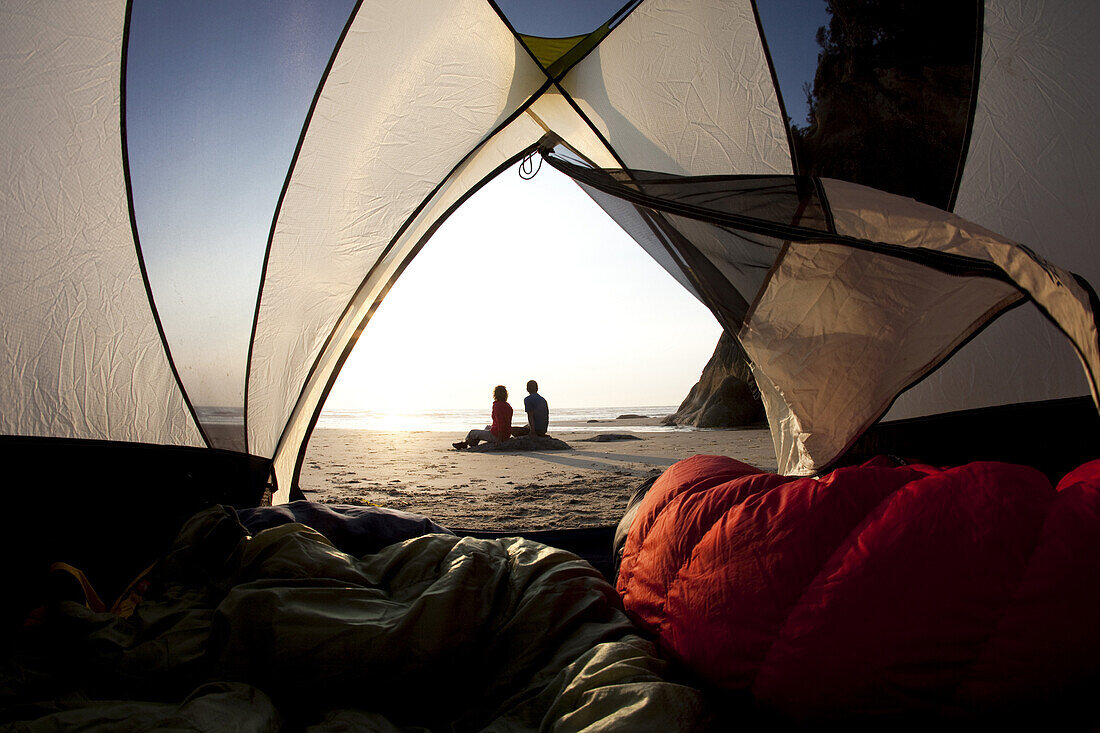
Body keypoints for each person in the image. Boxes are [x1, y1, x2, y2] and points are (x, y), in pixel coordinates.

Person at [453, 385, 512, 449]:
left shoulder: (497, 405)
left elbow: (501, 423)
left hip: (497, 435)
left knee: (472, 433)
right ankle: (471, 443)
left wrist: (499, 439)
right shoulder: (508, 406)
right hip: (506, 434)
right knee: (487, 427)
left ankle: (466, 444)